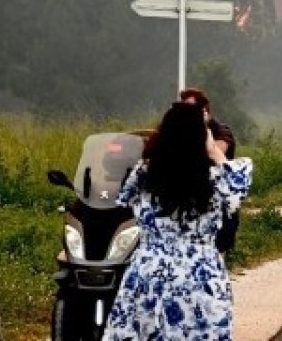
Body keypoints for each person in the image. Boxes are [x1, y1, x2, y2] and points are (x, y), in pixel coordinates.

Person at [102, 103, 253, 340]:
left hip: (150, 271)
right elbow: (238, 186)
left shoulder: (145, 174)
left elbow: (124, 199)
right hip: (200, 275)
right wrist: (213, 149)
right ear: (203, 136)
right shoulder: (214, 180)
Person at [179, 87, 240, 252]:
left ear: (204, 111)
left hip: (219, 198)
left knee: (217, 251)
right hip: (192, 199)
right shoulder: (180, 132)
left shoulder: (220, 131)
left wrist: (203, 129)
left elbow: (217, 153)